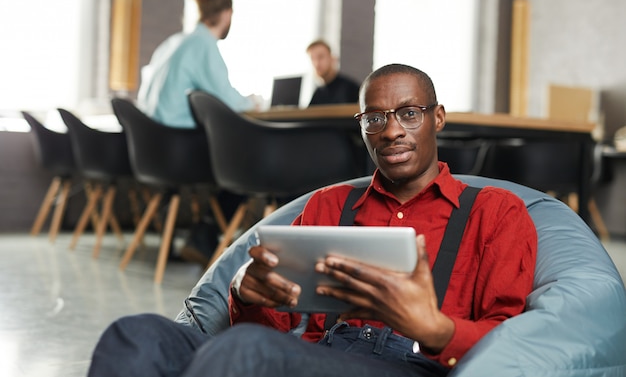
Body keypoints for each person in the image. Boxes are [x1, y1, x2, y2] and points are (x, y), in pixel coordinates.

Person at [87, 64, 537, 377]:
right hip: (309, 354)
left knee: (248, 353)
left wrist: (435, 329)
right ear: (362, 127)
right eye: (375, 118)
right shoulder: (327, 206)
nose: (392, 130)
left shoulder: (495, 212)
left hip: (413, 367)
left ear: (437, 118)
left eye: (409, 113)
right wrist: (246, 294)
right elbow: (270, 332)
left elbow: (519, 347)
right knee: (137, 334)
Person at [137, 0, 259, 129]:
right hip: (174, 136)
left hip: (149, 133)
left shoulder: (175, 41)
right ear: (227, 14)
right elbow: (227, 100)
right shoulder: (203, 45)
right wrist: (253, 103)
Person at [306, 39, 360, 106]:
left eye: (321, 57)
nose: (316, 63)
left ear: (332, 58)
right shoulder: (318, 93)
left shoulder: (350, 88)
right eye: (313, 58)